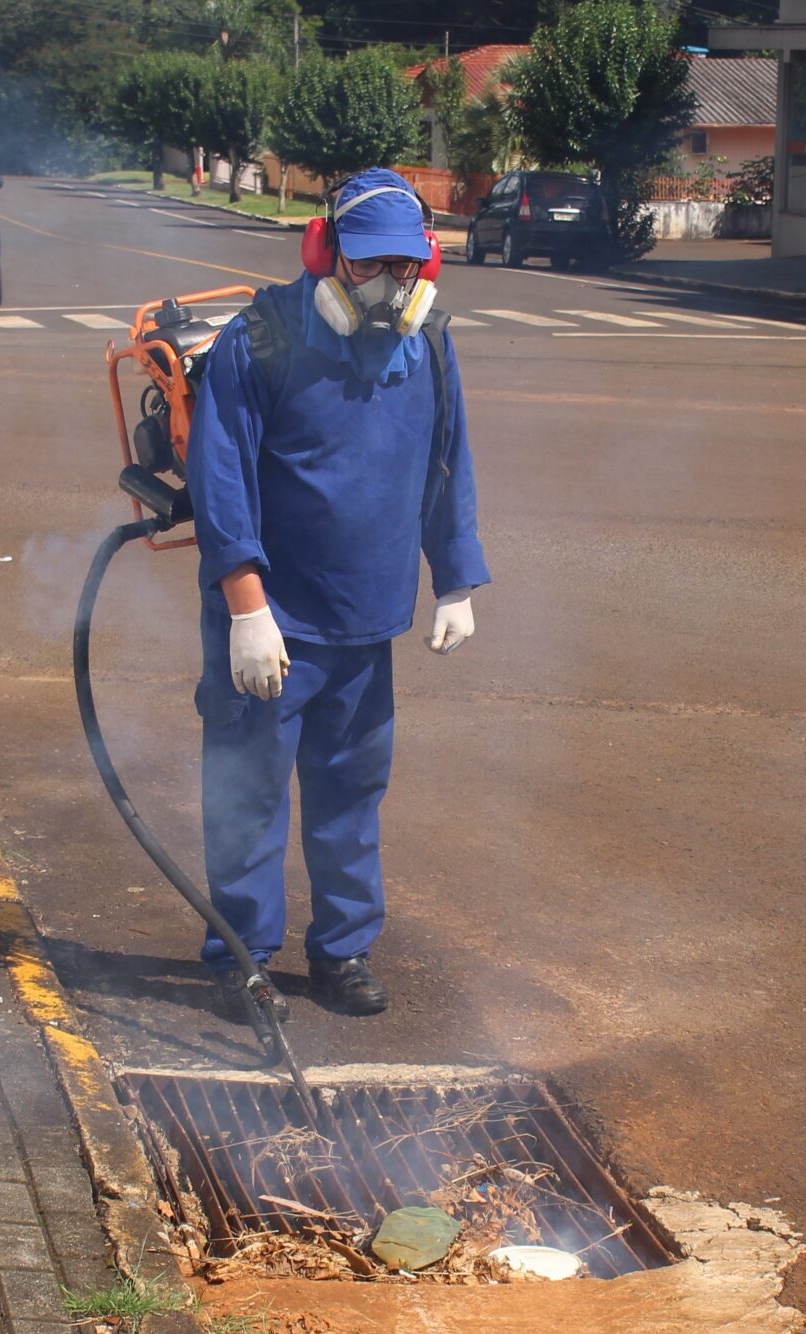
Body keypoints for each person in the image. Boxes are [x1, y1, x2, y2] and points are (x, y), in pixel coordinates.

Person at [183, 167, 488, 1017]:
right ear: (327, 255)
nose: (388, 286)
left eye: (405, 267)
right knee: (248, 796)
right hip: (272, 624)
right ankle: (239, 956)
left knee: (350, 793)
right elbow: (221, 484)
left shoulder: (427, 345)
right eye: (366, 265)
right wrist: (247, 608)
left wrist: (453, 577)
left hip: (365, 622)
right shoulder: (262, 341)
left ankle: (341, 952)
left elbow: (446, 461)